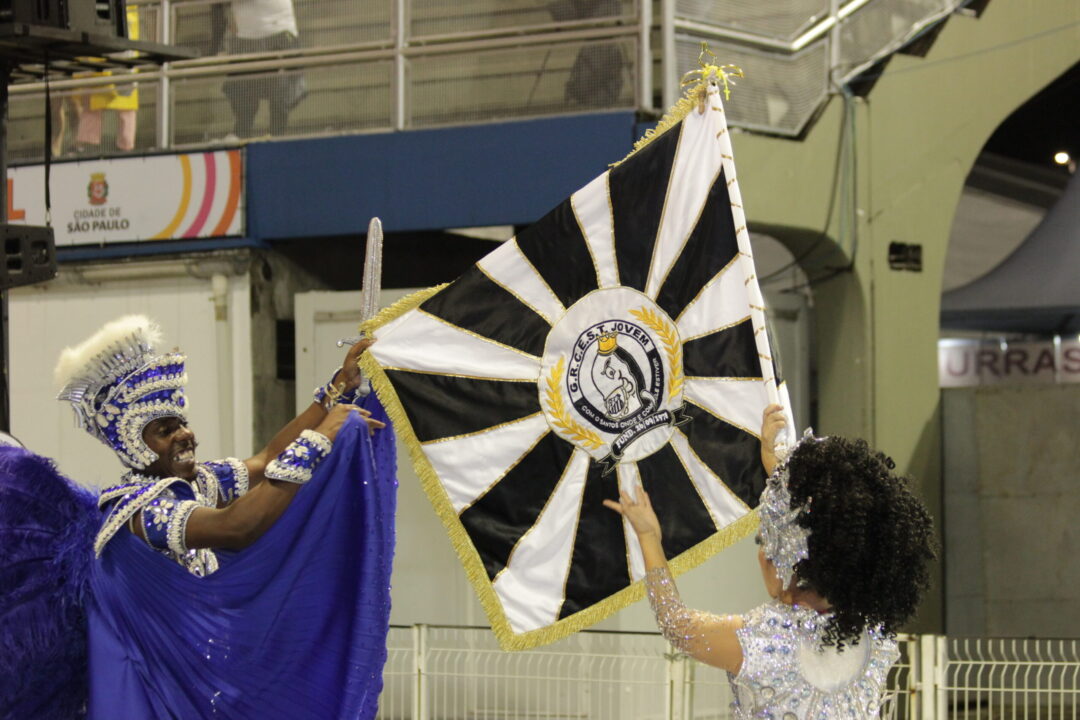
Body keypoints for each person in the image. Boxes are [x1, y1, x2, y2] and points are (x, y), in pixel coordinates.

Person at [1, 314, 397, 719]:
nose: (184, 434)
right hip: (160, 690)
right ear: (134, 445)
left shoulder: (198, 483)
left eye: (182, 423)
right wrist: (319, 440)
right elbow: (236, 527)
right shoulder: (138, 510)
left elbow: (267, 459)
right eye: (164, 429)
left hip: (206, 675)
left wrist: (335, 391)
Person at [605, 404, 936, 720]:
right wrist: (774, 464)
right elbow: (820, 521)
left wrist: (649, 538)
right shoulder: (872, 637)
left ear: (783, 561)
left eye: (763, 542)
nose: (761, 554)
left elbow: (676, 625)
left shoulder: (761, 642)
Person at [210, 0, 307, 139]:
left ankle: (276, 137)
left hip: (279, 31)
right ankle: (241, 137)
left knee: (279, 91)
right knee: (242, 93)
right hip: (245, 35)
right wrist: (216, 45)